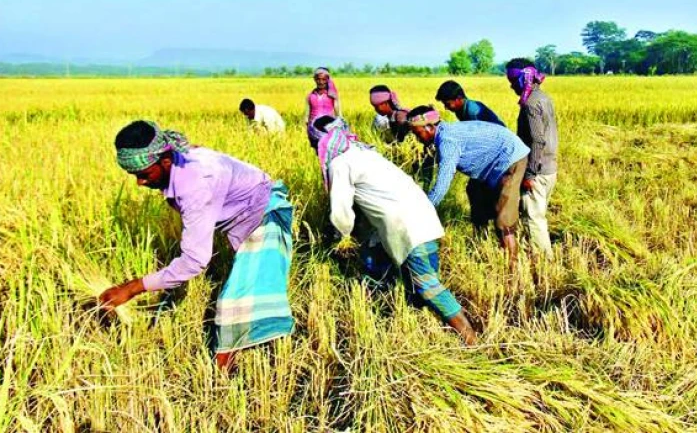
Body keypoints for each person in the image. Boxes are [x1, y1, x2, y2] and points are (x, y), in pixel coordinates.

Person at [99, 120, 295, 370]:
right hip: (246, 213)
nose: (140, 183)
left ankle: (228, 380)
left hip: (265, 214)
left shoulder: (195, 185)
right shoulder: (177, 157)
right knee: (251, 291)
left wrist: (132, 288)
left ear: (165, 161)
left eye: (144, 175)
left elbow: (194, 261)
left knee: (234, 304)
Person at [313, 115, 476, 345]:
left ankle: (469, 335)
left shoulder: (340, 164)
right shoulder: (366, 153)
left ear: (321, 142)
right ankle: (421, 327)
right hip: (424, 215)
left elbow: (342, 214)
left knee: (427, 286)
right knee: (417, 281)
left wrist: (336, 236)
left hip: (406, 226)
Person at [407, 106, 530, 262]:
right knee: (475, 193)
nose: (417, 138)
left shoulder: (447, 141)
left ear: (430, 127)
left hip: (510, 158)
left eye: (418, 133)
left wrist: (424, 209)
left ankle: (512, 268)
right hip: (493, 165)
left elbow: (443, 183)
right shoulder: (443, 133)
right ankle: (481, 244)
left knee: (504, 219)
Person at [506, 58, 558, 258]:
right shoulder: (544, 97)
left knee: (534, 217)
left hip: (537, 169)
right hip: (550, 166)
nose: (511, 86)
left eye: (512, 80)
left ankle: (544, 261)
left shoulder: (530, 103)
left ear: (522, 79)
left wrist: (529, 174)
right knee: (539, 215)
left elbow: (537, 140)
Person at [434, 80, 505, 126]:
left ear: (458, 98)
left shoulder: (472, 111)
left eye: (447, 104)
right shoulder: (459, 110)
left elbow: (479, 137)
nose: (446, 108)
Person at [305, 67, 341, 149]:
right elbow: (307, 116)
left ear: (328, 80)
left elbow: (338, 114)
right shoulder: (310, 96)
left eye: (324, 79)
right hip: (313, 129)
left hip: (328, 129)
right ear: (314, 79)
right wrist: (308, 128)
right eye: (318, 79)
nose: (321, 82)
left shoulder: (332, 95)